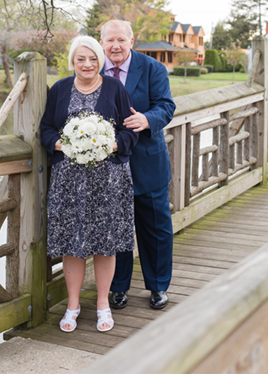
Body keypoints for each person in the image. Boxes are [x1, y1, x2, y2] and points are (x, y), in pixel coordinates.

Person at [40, 36, 139, 333]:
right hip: (69, 183)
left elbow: (129, 130)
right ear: (72, 61)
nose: (87, 64)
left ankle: (103, 305)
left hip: (108, 180)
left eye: (93, 59)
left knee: (105, 245)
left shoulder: (115, 89)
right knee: (73, 244)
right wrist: (58, 144)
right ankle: (72, 306)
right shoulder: (58, 89)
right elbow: (45, 127)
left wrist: (112, 146)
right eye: (81, 59)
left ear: (101, 61)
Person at [99, 19, 177, 311]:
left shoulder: (153, 68)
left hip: (147, 161)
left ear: (132, 41)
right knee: (116, 228)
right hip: (107, 165)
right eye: (110, 41)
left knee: (155, 228)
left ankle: (158, 286)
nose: (115, 46)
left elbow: (166, 106)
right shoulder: (93, 69)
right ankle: (117, 288)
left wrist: (147, 120)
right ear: (102, 42)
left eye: (121, 40)